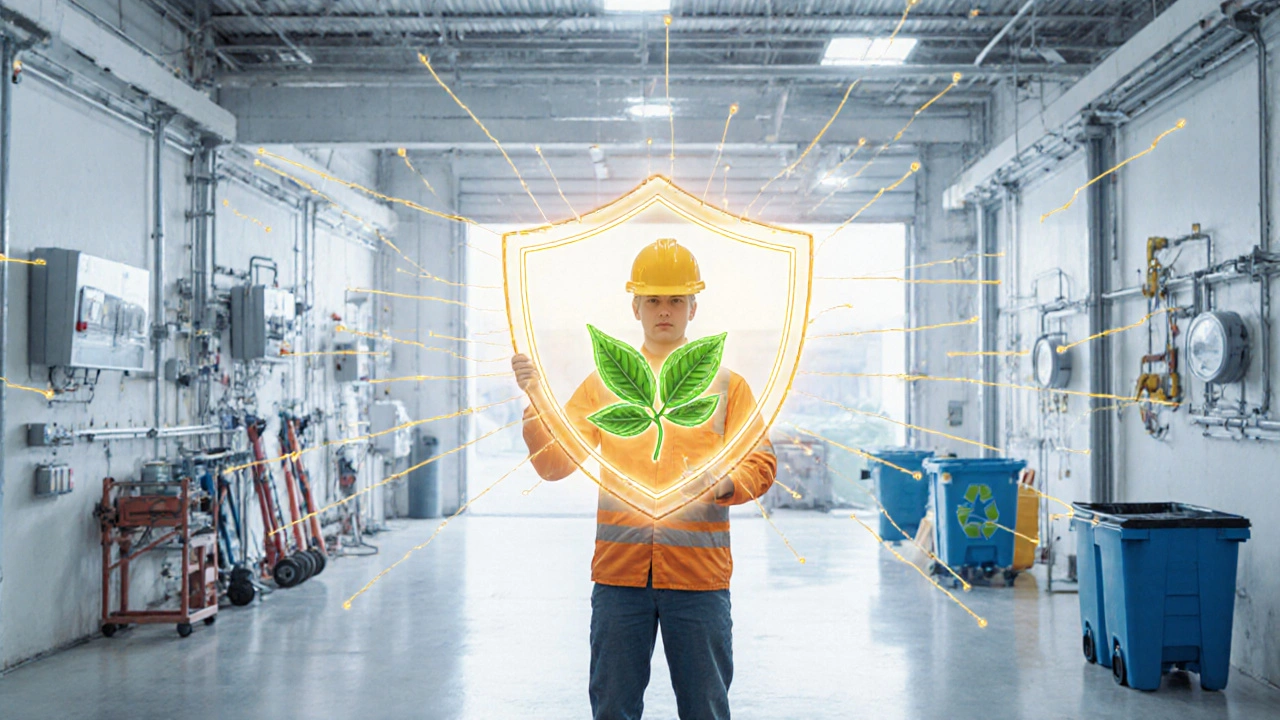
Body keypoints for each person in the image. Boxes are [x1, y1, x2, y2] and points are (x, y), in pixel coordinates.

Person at [511, 237, 777, 720]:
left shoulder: (725, 385)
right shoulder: (605, 384)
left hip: (698, 583)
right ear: (635, 306)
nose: (664, 310)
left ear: (694, 308)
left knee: (705, 710)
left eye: (676, 299)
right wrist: (536, 399)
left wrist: (723, 483)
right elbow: (555, 464)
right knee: (613, 709)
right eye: (653, 299)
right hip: (620, 577)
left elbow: (761, 462)